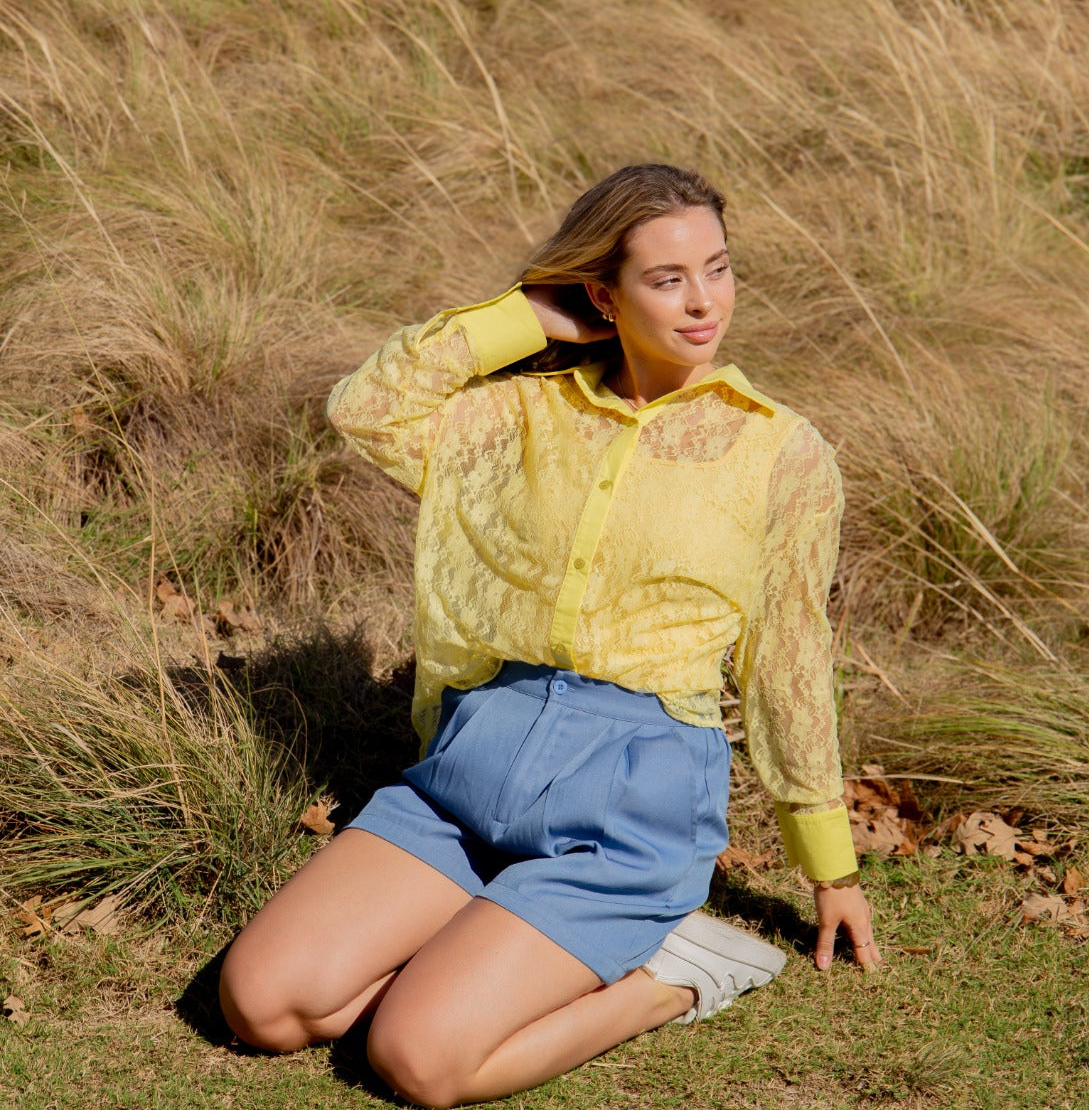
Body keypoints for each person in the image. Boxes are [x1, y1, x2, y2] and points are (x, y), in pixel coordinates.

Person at [219, 163, 879, 1107]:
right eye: (667, 279)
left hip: (630, 802)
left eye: (718, 268)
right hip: (468, 769)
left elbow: (788, 658)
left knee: (419, 1060)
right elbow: (365, 407)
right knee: (265, 1006)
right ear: (602, 295)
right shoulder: (519, 414)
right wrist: (526, 316)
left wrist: (828, 865)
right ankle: (474, 949)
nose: (704, 301)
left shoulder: (779, 449)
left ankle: (672, 974)